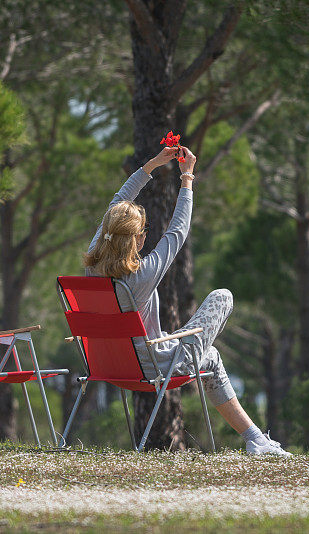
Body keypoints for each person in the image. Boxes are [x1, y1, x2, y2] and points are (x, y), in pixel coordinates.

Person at [85, 144, 290, 456]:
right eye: (143, 233)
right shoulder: (140, 276)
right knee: (223, 298)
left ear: (108, 232)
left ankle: (256, 439)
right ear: (138, 239)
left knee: (211, 357)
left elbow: (117, 204)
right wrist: (187, 177)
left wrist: (151, 165)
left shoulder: (90, 271)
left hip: (107, 363)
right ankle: (255, 440)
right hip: (153, 365)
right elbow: (178, 231)